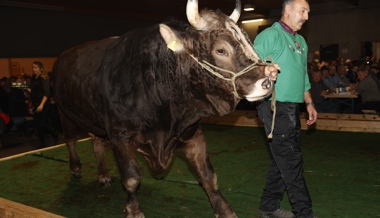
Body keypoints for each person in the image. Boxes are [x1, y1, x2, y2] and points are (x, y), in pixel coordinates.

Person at [253, 0, 318, 217]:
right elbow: (250, 64)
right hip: (274, 106)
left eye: (308, 12)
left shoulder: (301, 41)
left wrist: (308, 102)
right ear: (287, 10)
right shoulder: (270, 35)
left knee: (283, 158)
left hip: (293, 107)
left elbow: (303, 77)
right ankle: (304, 213)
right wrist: (265, 68)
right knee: (291, 160)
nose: (306, 17)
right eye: (303, 11)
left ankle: (269, 206)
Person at [30, 61, 60, 147]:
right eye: (33, 67)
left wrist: (41, 104)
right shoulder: (33, 78)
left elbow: (46, 93)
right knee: (37, 124)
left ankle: (55, 134)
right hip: (35, 103)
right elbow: (34, 91)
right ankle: (42, 143)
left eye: (35, 67)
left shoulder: (44, 78)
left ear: (40, 68)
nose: (33, 69)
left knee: (41, 123)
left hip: (44, 103)